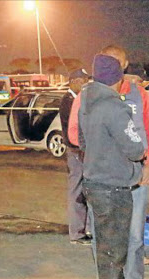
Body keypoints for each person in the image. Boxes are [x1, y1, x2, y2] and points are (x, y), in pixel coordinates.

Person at [79, 54, 145, 279]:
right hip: (113, 186)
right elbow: (136, 148)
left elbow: (80, 140)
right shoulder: (114, 107)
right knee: (114, 253)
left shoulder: (86, 101)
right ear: (118, 79)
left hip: (95, 182)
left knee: (107, 249)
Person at [96, 45, 149, 279]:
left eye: (117, 62)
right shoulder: (89, 96)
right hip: (105, 179)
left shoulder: (140, 95)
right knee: (106, 238)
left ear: (125, 64)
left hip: (136, 178)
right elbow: (76, 135)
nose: (113, 66)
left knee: (134, 236)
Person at [58, 69, 92, 245]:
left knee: (83, 191)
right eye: (82, 80)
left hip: (80, 151)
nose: (85, 83)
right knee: (77, 191)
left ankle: (84, 228)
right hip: (75, 151)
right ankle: (77, 233)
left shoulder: (76, 99)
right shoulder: (68, 101)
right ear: (72, 81)